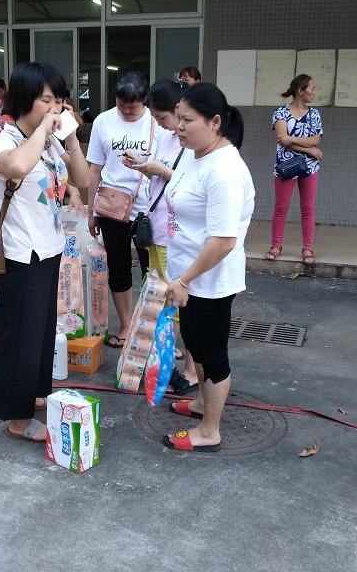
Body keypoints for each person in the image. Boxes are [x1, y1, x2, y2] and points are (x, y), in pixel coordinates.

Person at [0, 61, 89, 442]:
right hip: (19, 254)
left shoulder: (47, 142)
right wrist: (46, 129)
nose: (55, 107)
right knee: (19, 339)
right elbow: (14, 166)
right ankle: (17, 420)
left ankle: (31, 394)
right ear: (25, 99)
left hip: (48, 250)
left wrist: (71, 139)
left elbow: (83, 179)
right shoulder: (5, 139)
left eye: (58, 100)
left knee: (41, 334)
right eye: (46, 100)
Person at [162, 82, 255, 452]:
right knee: (195, 345)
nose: (178, 127)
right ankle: (201, 402)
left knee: (212, 355)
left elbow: (223, 241)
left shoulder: (225, 171)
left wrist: (184, 279)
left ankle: (209, 430)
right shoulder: (194, 153)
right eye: (178, 118)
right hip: (188, 277)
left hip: (209, 280)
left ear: (215, 122)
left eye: (187, 120)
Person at [122, 79, 198, 394]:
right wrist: (142, 166)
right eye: (155, 117)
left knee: (178, 301)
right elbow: (161, 175)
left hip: (175, 234)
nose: (160, 123)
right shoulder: (166, 137)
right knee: (159, 298)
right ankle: (166, 364)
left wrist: (161, 171)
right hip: (156, 229)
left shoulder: (191, 140)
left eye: (162, 117)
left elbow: (192, 184)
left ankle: (190, 370)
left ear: (178, 109)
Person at [86, 71, 162, 349]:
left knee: (153, 272)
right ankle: (127, 326)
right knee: (118, 270)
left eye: (133, 107)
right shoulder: (103, 121)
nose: (127, 112)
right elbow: (95, 169)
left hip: (149, 210)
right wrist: (92, 211)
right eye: (122, 106)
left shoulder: (157, 122)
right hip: (112, 207)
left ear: (145, 100)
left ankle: (153, 331)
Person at [265, 74, 323, 264]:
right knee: (281, 208)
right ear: (300, 91)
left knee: (308, 209)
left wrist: (293, 139)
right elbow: (283, 140)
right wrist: (309, 150)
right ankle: (276, 245)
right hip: (285, 166)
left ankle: (307, 248)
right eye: (312, 88)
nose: (314, 92)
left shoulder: (314, 114)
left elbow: (315, 140)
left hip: (309, 167)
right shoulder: (281, 112)